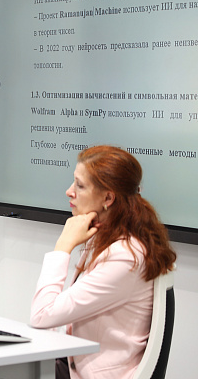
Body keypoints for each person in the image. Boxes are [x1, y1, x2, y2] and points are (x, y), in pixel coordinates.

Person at [30, 145, 176, 379]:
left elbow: (41, 315)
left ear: (108, 198)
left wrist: (63, 246)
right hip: (74, 365)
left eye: (79, 185)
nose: (69, 191)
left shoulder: (125, 257)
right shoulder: (110, 239)